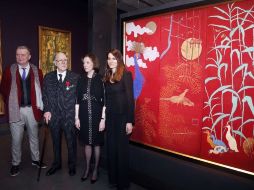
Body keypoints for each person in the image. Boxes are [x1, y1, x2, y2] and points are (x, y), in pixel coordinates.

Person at [0, 45, 46, 177]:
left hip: (32, 110)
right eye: (17, 55)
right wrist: (12, 103)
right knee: (16, 139)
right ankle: (15, 163)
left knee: (34, 137)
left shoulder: (37, 71)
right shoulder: (9, 70)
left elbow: (41, 89)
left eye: (23, 55)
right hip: (16, 110)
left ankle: (36, 160)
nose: (19, 57)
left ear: (29, 56)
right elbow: (3, 89)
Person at [42, 52, 79, 176]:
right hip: (54, 116)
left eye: (65, 60)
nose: (63, 62)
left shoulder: (75, 77)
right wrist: (46, 110)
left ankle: (72, 165)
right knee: (56, 142)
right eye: (60, 60)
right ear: (55, 63)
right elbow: (45, 96)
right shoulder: (48, 77)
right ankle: (57, 164)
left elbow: (78, 99)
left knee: (71, 142)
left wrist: (77, 116)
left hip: (69, 116)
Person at [104, 49, 135, 190]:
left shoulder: (126, 74)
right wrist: (103, 118)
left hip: (123, 118)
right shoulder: (107, 75)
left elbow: (130, 99)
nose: (111, 61)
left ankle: (123, 183)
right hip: (110, 118)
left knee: (121, 151)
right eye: (109, 58)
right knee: (111, 149)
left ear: (119, 59)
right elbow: (106, 99)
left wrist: (130, 121)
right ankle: (114, 179)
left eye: (113, 58)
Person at [75, 53, 106, 184]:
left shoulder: (101, 80)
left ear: (94, 63)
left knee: (96, 143)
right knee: (87, 143)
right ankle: (88, 168)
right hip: (83, 115)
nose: (85, 65)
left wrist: (103, 119)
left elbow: (105, 102)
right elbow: (77, 100)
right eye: (83, 63)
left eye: (87, 62)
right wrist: (76, 118)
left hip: (97, 116)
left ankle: (95, 170)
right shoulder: (80, 79)